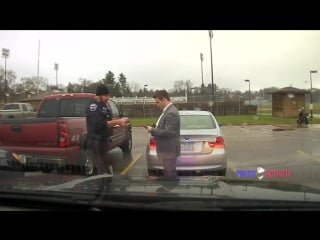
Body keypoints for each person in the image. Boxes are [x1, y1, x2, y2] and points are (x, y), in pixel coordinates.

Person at [85, 84, 128, 175]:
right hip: (96, 141)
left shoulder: (103, 105)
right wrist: (118, 122)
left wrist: (120, 120)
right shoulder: (94, 107)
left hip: (103, 141)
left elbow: (107, 120)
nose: (108, 98)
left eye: (108, 95)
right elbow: (99, 124)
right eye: (106, 95)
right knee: (103, 168)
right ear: (99, 95)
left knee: (106, 164)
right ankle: (103, 184)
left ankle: (106, 181)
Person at [145, 90, 181, 184]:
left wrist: (152, 130)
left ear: (164, 100)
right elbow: (165, 128)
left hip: (169, 150)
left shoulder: (171, 113)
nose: (157, 105)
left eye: (158, 102)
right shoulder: (167, 111)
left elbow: (168, 132)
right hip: (167, 150)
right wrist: (155, 128)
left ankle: (171, 194)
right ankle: (170, 191)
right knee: (168, 173)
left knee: (170, 175)